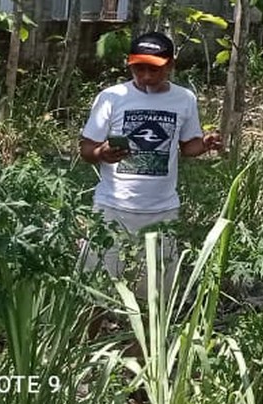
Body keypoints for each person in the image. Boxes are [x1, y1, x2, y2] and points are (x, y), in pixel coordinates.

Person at [78, 30, 224, 293]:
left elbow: (187, 146)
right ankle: (92, 335)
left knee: (157, 291)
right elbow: (86, 149)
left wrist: (205, 144)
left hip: (162, 211)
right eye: (139, 69)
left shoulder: (184, 99)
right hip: (112, 208)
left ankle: (144, 335)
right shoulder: (112, 97)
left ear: (170, 65)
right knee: (98, 287)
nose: (146, 76)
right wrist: (101, 153)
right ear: (130, 64)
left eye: (154, 70)